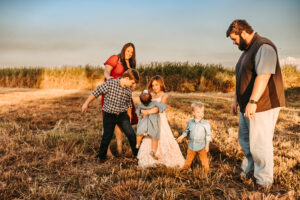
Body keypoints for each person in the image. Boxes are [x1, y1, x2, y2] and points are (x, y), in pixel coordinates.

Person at [226, 19, 285, 188]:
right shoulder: (246, 51)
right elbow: (241, 78)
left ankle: (264, 180)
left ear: (242, 32)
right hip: (247, 106)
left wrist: (253, 101)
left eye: (234, 39)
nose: (234, 43)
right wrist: (235, 100)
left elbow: (264, 75)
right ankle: (249, 171)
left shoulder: (263, 46)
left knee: (260, 142)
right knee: (245, 140)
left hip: (263, 104)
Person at [81, 69, 140, 162]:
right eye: (132, 83)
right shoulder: (110, 83)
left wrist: (129, 118)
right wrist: (86, 103)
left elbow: (129, 105)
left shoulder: (128, 91)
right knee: (107, 136)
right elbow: (96, 92)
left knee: (131, 134)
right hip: (109, 115)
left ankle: (137, 154)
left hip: (122, 115)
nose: (133, 85)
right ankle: (101, 156)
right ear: (127, 78)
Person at [137, 75, 185, 168]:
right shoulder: (151, 96)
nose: (155, 87)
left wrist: (148, 111)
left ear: (161, 85)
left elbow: (159, 108)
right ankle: (150, 159)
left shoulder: (164, 96)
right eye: (153, 85)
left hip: (160, 121)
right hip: (151, 121)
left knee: (163, 138)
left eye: (157, 85)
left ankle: (164, 158)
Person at [102, 43, 138, 157]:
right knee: (107, 121)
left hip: (124, 94)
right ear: (123, 50)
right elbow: (106, 71)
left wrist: (133, 85)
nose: (129, 53)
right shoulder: (115, 58)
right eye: (128, 51)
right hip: (112, 91)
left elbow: (132, 78)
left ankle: (119, 147)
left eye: (131, 52)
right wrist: (109, 78)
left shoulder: (131, 64)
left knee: (121, 120)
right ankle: (106, 151)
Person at [176, 102, 211, 171]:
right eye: (198, 112)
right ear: (193, 113)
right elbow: (186, 131)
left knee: (204, 160)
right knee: (189, 158)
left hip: (202, 146)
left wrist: (207, 145)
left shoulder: (205, 124)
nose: (201, 114)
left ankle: (206, 171)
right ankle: (185, 169)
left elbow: (208, 136)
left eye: (202, 112)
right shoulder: (190, 123)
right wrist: (181, 137)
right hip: (191, 145)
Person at [136, 89, 166, 159]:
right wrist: (162, 107)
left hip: (144, 123)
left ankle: (138, 144)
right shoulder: (154, 103)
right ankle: (153, 151)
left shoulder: (141, 105)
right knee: (154, 138)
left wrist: (140, 113)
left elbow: (138, 112)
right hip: (153, 123)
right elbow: (162, 107)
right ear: (151, 98)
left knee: (139, 134)